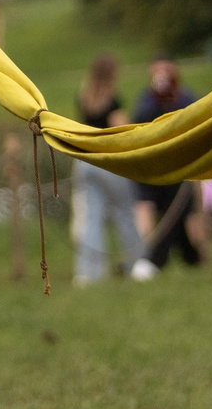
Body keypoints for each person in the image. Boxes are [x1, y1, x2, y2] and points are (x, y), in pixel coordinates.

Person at [69, 55, 145, 285]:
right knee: (125, 214)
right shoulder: (112, 101)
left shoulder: (84, 97)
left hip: (85, 163)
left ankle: (88, 272)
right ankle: (136, 265)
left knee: (92, 218)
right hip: (109, 163)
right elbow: (123, 129)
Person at [132, 56, 201, 269]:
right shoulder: (146, 99)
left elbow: (197, 118)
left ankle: (196, 257)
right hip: (154, 164)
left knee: (187, 213)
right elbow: (139, 122)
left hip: (181, 164)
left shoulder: (185, 96)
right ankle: (149, 256)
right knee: (150, 208)